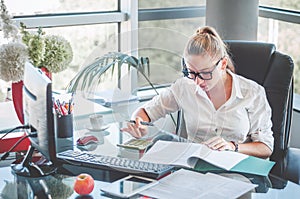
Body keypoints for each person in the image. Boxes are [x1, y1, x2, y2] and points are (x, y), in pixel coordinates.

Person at [121, 26, 274, 159]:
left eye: (205, 73)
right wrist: (137, 124)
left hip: (238, 172)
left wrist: (232, 146)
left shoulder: (252, 93)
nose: (198, 82)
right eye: (191, 72)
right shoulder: (184, 87)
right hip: (194, 169)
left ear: (222, 64)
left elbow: (266, 147)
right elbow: (145, 112)